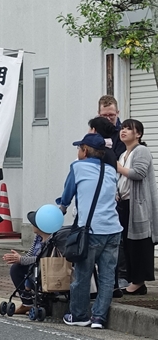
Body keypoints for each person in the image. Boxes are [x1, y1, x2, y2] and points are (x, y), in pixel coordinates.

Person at [57, 133, 122, 329]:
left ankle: (79, 315)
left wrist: (61, 207)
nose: (78, 152)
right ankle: (99, 318)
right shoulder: (110, 170)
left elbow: (67, 195)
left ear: (85, 150)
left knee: (83, 274)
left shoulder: (77, 167)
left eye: (79, 148)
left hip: (91, 231)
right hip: (113, 229)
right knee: (107, 275)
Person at [115, 119, 158, 295]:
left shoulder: (141, 151)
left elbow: (138, 174)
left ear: (138, 134)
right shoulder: (124, 154)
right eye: (122, 128)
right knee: (127, 243)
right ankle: (135, 281)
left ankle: (139, 282)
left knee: (139, 244)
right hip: (124, 203)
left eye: (128, 129)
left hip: (138, 205)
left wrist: (117, 167)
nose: (123, 131)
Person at [3, 210, 54, 314]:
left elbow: (41, 260)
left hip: (43, 268)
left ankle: (29, 303)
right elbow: (30, 255)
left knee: (20, 267)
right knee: (16, 268)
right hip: (35, 266)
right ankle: (27, 302)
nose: (32, 225)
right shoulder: (38, 237)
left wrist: (21, 259)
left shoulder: (51, 240)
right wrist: (19, 259)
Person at [98, 95, 125, 159]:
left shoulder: (123, 133)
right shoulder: (94, 131)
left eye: (111, 115)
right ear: (99, 114)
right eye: (104, 115)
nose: (108, 119)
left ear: (117, 113)